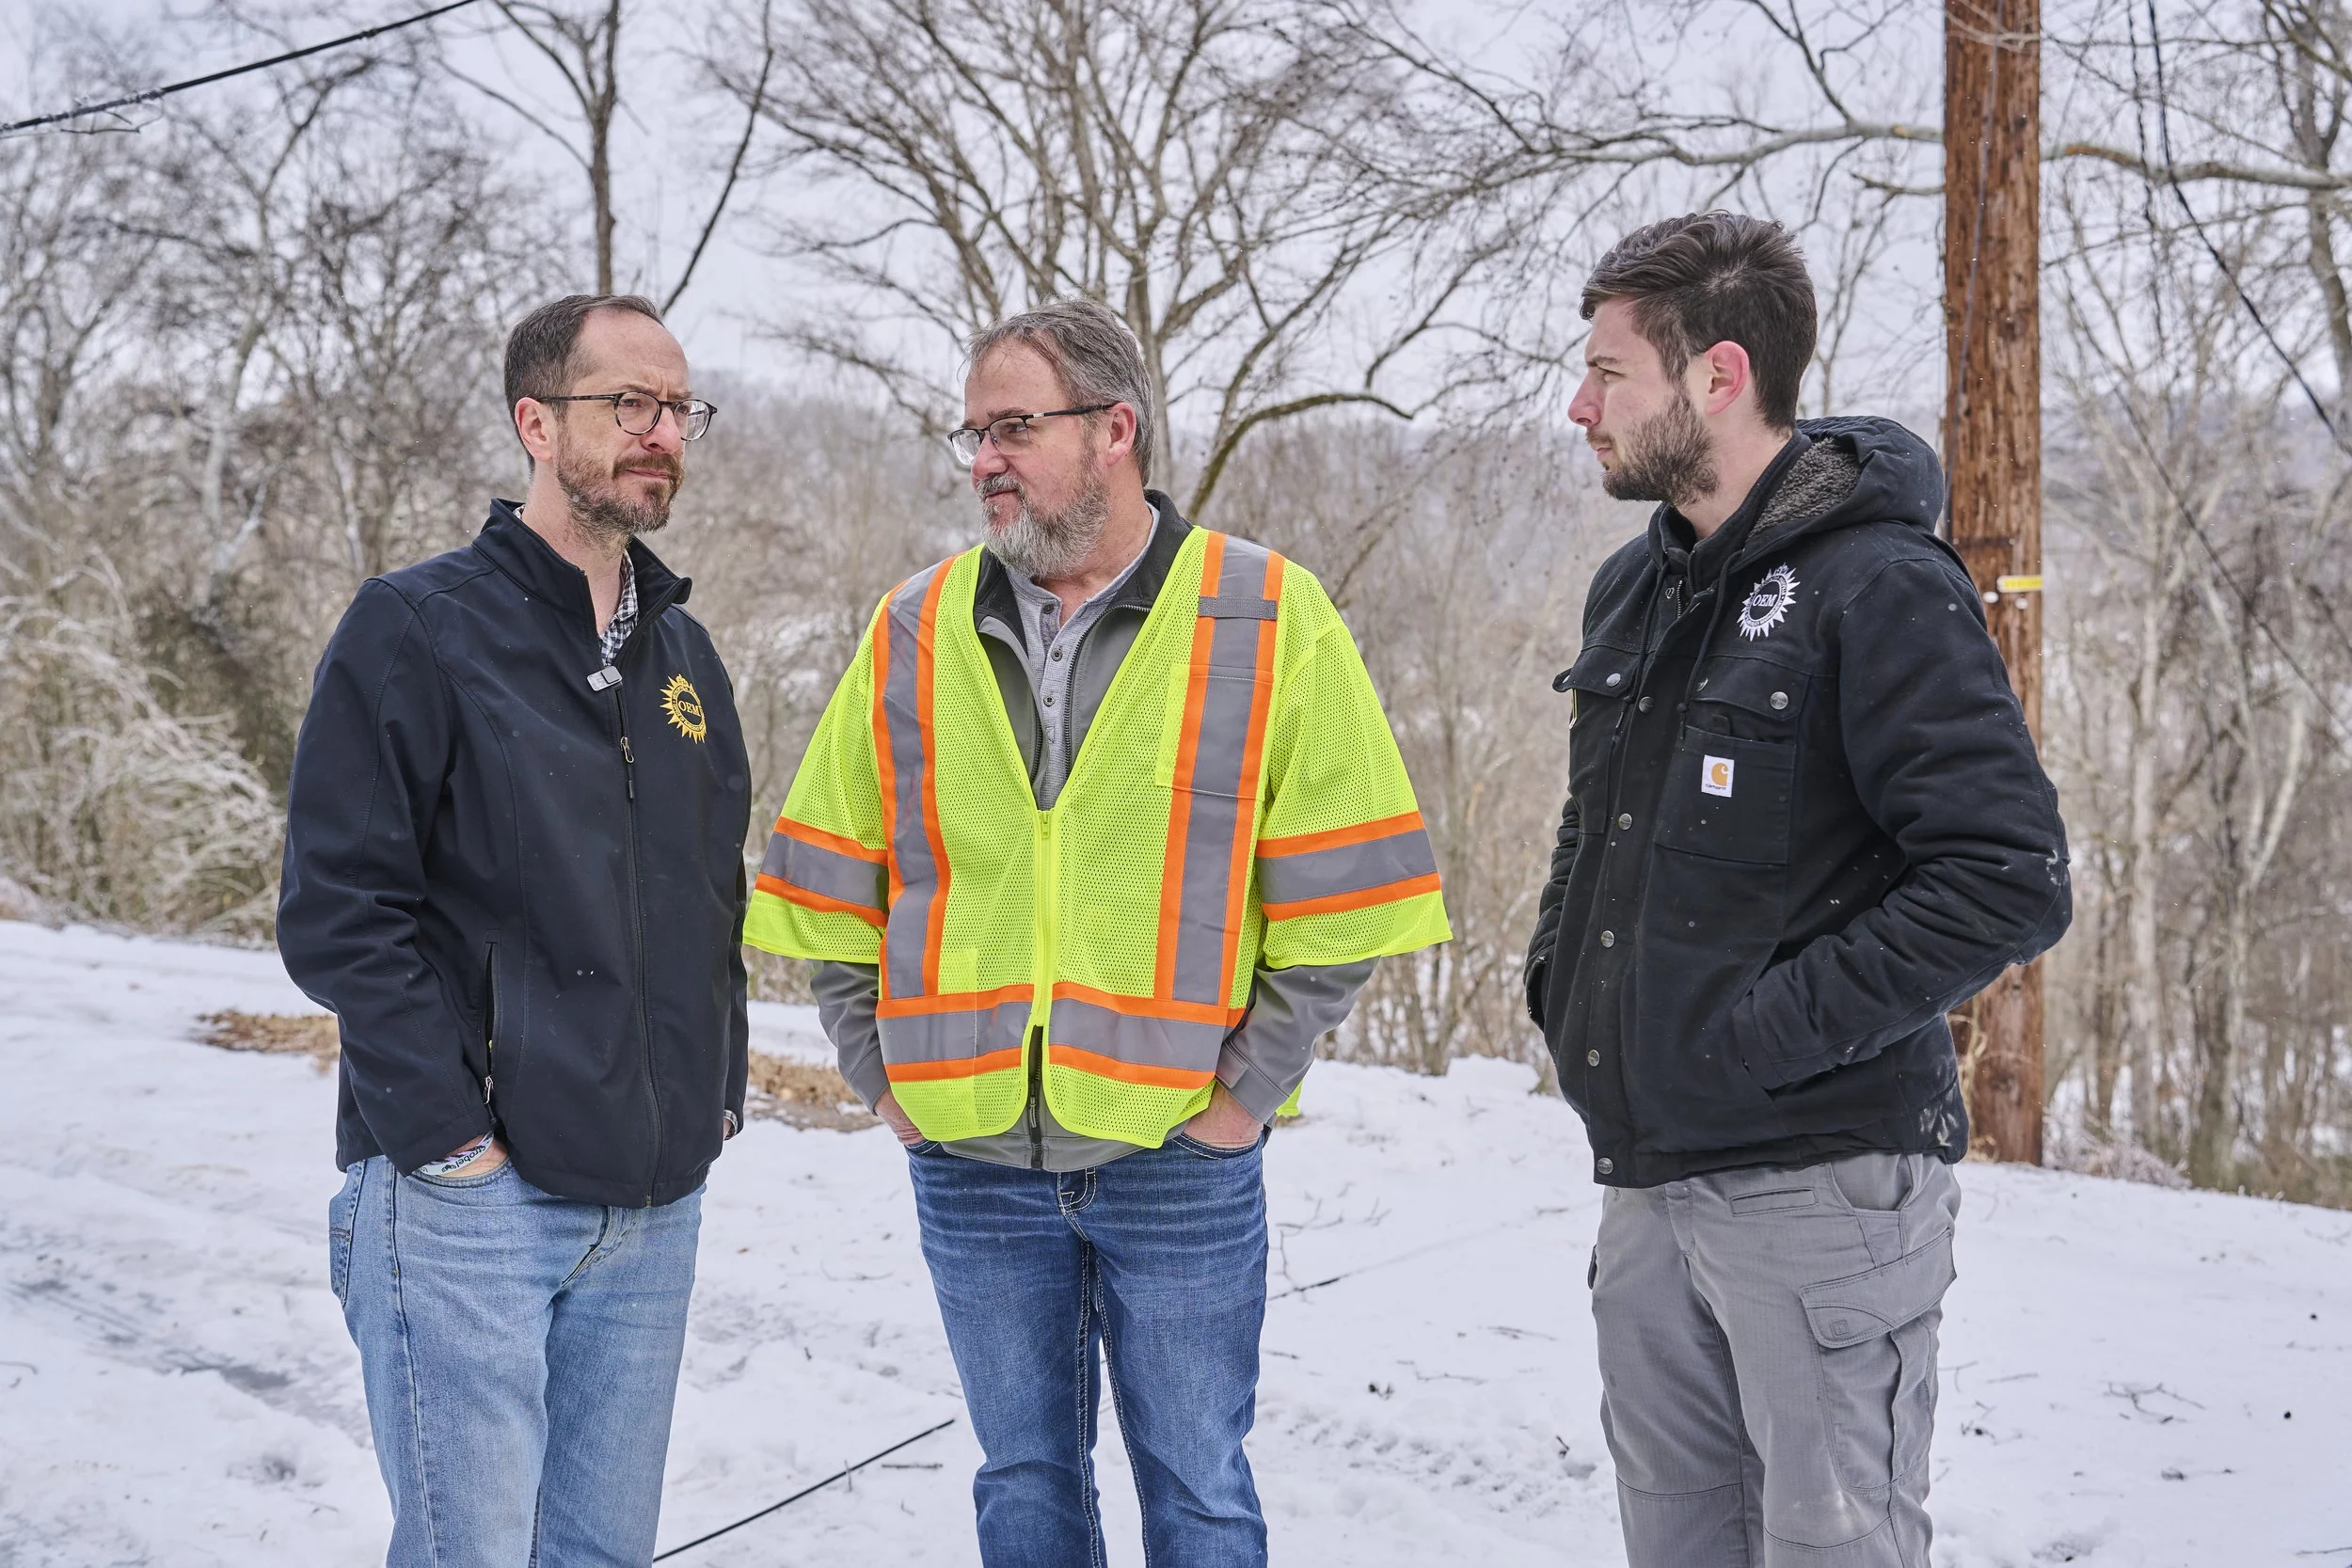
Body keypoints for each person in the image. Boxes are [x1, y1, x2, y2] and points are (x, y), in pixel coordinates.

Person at [745, 296, 1449, 1567]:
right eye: (973, 435)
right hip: (967, 1161)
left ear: (1116, 428)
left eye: (1014, 426)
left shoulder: (1270, 615)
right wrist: (882, 1075)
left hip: (1178, 1155)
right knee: (1023, 1484)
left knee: (1199, 1489)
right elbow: (825, 880)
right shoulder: (912, 626)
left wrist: (1247, 1091)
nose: (987, 460)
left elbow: (1348, 894)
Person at [1523, 213, 2071, 1565]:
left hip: (1819, 1190)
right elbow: (1598, 827)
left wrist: (1761, 1041)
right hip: (1648, 1184)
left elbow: (2008, 877)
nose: (1580, 403)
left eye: (1610, 374)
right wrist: (1560, 985)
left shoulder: (1877, 585)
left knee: (1836, 1547)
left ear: (1718, 376)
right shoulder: (1632, 588)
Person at [278, 293, 750, 1567]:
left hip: (650, 1209)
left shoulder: (686, 658)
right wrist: (447, 1140)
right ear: (536, 423)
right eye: (628, 405)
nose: (662, 432)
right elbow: (337, 912)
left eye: (678, 408)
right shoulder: (420, 628)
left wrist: (715, 1093)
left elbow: (713, 896)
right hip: (471, 1205)